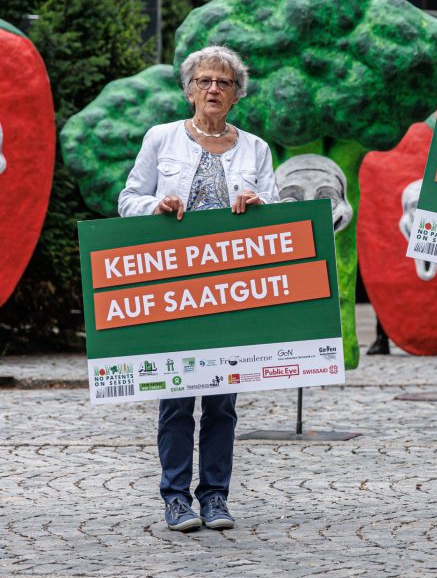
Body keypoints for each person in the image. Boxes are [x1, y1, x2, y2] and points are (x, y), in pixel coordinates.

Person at [118, 45, 278, 531]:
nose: (213, 89)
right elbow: (128, 200)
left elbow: (276, 212)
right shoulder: (161, 138)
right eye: (204, 81)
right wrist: (156, 208)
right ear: (189, 89)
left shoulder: (256, 148)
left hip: (233, 290)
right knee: (176, 395)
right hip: (177, 286)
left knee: (223, 400)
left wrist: (260, 203)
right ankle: (175, 498)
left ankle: (214, 497)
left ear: (236, 95)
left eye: (223, 83)